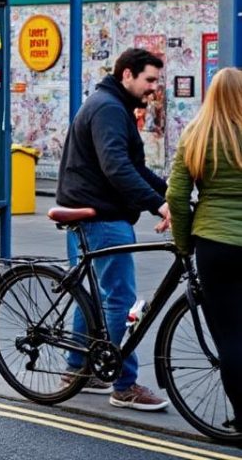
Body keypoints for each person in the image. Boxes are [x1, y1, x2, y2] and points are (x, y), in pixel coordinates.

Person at [57, 47, 170, 411]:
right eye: (149, 80)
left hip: (87, 211)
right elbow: (117, 168)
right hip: (101, 217)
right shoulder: (108, 108)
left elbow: (135, 166)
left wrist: (171, 195)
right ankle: (124, 385)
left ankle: (78, 370)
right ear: (127, 75)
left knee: (91, 295)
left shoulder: (112, 104)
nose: (154, 88)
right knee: (119, 299)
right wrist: (158, 204)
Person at [166, 66, 242, 423]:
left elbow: (177, 196)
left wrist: (183, 244)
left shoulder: (196, 134)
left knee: (230, 336)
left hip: (215, 244)